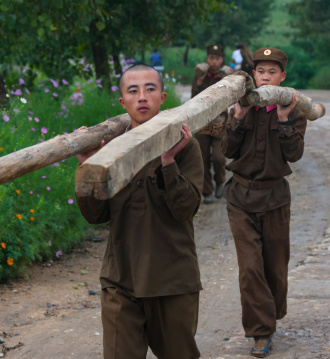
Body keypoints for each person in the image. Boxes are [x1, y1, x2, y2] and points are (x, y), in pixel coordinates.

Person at [75, 64, 204, 359]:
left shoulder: (185, 146)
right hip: (121, 279)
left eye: (150, 89)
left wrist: (168, 160)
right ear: (122, 102)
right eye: (133, 91)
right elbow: (96, 215)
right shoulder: (111, 150)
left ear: (163, 97)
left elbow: (186, 209)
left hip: (171, 280)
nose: (142, 96)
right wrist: (87, 166)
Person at [221, 47, 307, 357]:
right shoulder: (242, 106)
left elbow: (294, 155)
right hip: (240, 197)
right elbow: (227, 152)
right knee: (250, 268)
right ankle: (260, 332)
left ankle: (271, 313)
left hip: (275, 198)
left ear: (282, 77)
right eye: (261, 71)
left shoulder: (294, 110)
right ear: (253, 75)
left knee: (275, 268)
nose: (266, 76)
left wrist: (284, 121)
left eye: (272, 71)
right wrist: (237, 117)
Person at [191, 44, 228, 204]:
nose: (214, 61)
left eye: (217, 58)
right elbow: (193, 97)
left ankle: (220, 181)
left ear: (221, 60)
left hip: (220, 122)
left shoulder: (225, 76)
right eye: (211, 58)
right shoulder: (201, 74)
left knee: (219, 158)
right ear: (207, 59)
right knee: (203, 158)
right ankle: (207, 192)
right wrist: (199, 81)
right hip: (202, 123)